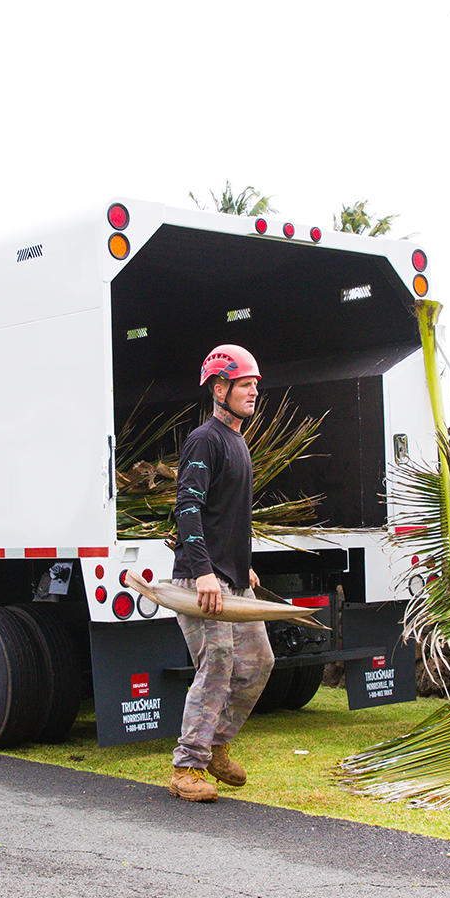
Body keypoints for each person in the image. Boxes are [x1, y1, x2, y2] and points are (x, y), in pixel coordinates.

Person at [168, 344, 274, 803]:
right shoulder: (204, 440)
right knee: (218, 665)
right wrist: (205, 572)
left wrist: (242, 565)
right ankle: (186, 767)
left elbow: (228, 514)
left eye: (254, 385)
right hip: (202, 582)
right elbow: (187, 508)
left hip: (231, 579)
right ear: (219, 388)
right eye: (245, 385)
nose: (253, 392)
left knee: (259, 662)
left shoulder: (238, 441)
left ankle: (215, 746)